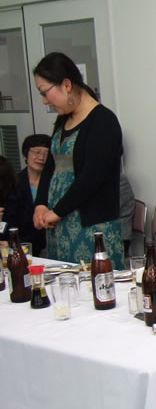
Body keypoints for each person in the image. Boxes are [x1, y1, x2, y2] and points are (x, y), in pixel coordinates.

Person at [32, 52, 124, 269]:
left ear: (66, 85)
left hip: (90, 227)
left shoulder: (103, 121)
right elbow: (51, 167)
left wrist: (57, 211)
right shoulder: (64, 120)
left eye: (45, 92)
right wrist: (41, 204)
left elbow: (91, 178)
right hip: (58, 224)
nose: (45, 101)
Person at [2, 134, 51, 254]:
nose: (41, 157)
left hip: (50, 241)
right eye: (37, 152)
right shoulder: (13, 182)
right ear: (26, 154)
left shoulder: (55, 182)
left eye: (46, 154)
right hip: (22, 244)